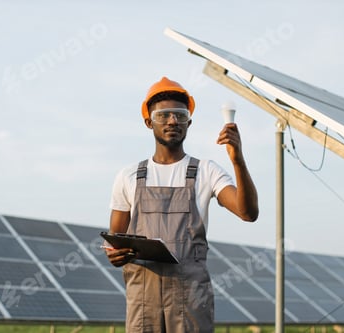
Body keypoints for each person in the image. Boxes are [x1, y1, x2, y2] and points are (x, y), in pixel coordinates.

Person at [105, 77, 259, 332]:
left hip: (191, 299)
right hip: (143, 301)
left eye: (180, 115)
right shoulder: (128, 176)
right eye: (164, 115)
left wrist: (238, 159)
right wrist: (115, 255)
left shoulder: (206, 171)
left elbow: (248, 212)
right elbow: (115, 242)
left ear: (189, 121)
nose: (172, 121)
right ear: (148, 122)